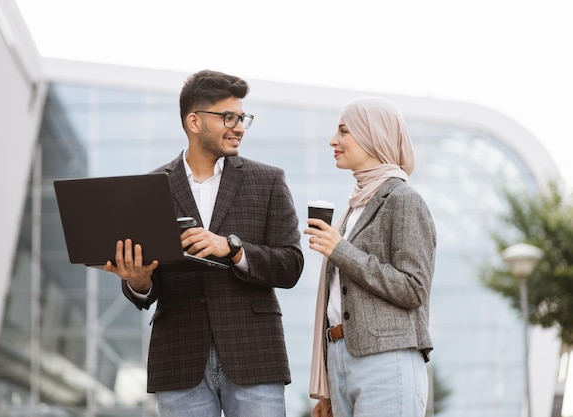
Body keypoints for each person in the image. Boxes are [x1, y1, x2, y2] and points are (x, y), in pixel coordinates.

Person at [104, 69, 304, 417]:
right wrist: (137, 280)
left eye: (242, 118)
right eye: (228, 117)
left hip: (253, 353)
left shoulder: (268, 180)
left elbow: (291, 266)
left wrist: (233, 248)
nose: (239, 126)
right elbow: (145, 287)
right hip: (180, 357)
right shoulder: (149, 188)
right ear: (194, 122)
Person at [304, 97, 436, 417]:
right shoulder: (353, 207)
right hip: (341, 358)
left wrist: (341, 250)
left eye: (344, 131)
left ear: (372, 136)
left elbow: (413, 288)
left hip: (386, 361)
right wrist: (329, 390)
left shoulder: (403, 199)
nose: (333, 140)